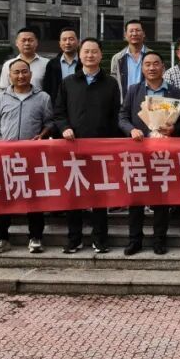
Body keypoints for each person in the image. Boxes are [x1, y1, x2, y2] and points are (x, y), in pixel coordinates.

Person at [54, 37, 123, 254]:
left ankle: (100, 239)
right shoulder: (68, 82)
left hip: (101, 149)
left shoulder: (110, 83)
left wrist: (111, 143)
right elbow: (59, 112)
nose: (90, 55)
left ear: (101, 55)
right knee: (74, 195)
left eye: (94, 51)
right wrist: (65, 128)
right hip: (73, 148)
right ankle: (74, 239)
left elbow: (116, 115)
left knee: (99, 196)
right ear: (79, 54)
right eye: (86, 51)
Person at [118, 51, 180, 256]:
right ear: (142, 68)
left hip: (164, 154)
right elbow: (122, 116)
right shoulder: (133, 90)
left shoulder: (176, 92)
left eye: (156, 64)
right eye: (147, 64)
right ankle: (135, 240)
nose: (152, 68)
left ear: (163, 67)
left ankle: (159, 240)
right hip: (139, 151)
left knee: (161, 199)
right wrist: (131, 130)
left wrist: (174, 129)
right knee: (136, 199)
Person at [0, 59, 55, 254]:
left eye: (24, 72)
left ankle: (35, 237)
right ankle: (1, 238)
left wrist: (42, 135)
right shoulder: (0, 98)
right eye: (16, 72)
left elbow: (50, 122)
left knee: (35, 199)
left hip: (32, 157)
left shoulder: (43, 97)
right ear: (9, 75)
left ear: (31, 74)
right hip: (5, 157)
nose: (20, 76)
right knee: (3, 198)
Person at [0, 26, 47, 91]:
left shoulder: (46, 64)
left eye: (30, 40)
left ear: (36, 42)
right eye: (23, 40)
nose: (27, 43)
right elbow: (4, 89)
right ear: (16, 43)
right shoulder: (8, 65)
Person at [110, 19, 148, 95]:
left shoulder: (153, 56)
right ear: (125, 35)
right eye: (131, 31)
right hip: (124, 100)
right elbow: (114, 82)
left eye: (137, 30)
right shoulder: (117, 58)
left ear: (143, 34)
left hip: (147, 100)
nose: (134, 34)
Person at [43, 26, 80, 99]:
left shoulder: (84, 63)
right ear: (60, 43)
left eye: (71, 39)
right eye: (64, 39)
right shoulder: (52, 64)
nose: (67, 42)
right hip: (58, 104)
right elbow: (47, 88)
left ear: (78, 42)